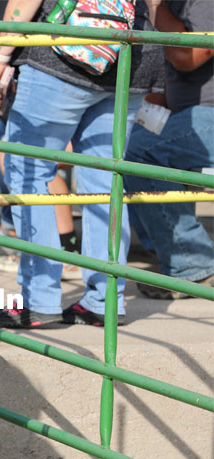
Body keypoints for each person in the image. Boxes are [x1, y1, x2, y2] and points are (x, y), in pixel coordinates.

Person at [0, 0, 163, 328]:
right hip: (133, 49)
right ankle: (103, 300)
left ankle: (38, 298)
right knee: (106, 178)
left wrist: (1, 54)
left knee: (28, 171)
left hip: (63, 51)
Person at [124, 0, 214, 299]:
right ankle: (174, 251)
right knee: (125, 143)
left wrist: (155, 6)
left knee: (138, 152)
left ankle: (191, 264)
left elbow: (187, 56)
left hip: (205, 114)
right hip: (187, 112)